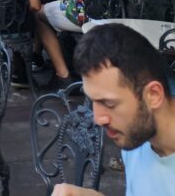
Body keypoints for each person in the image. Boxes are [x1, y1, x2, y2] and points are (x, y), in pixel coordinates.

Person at [53, 24, 175, 196]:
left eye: (109, 103)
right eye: (93, 100)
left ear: (153, 95)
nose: (98, 118)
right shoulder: (136, 136)